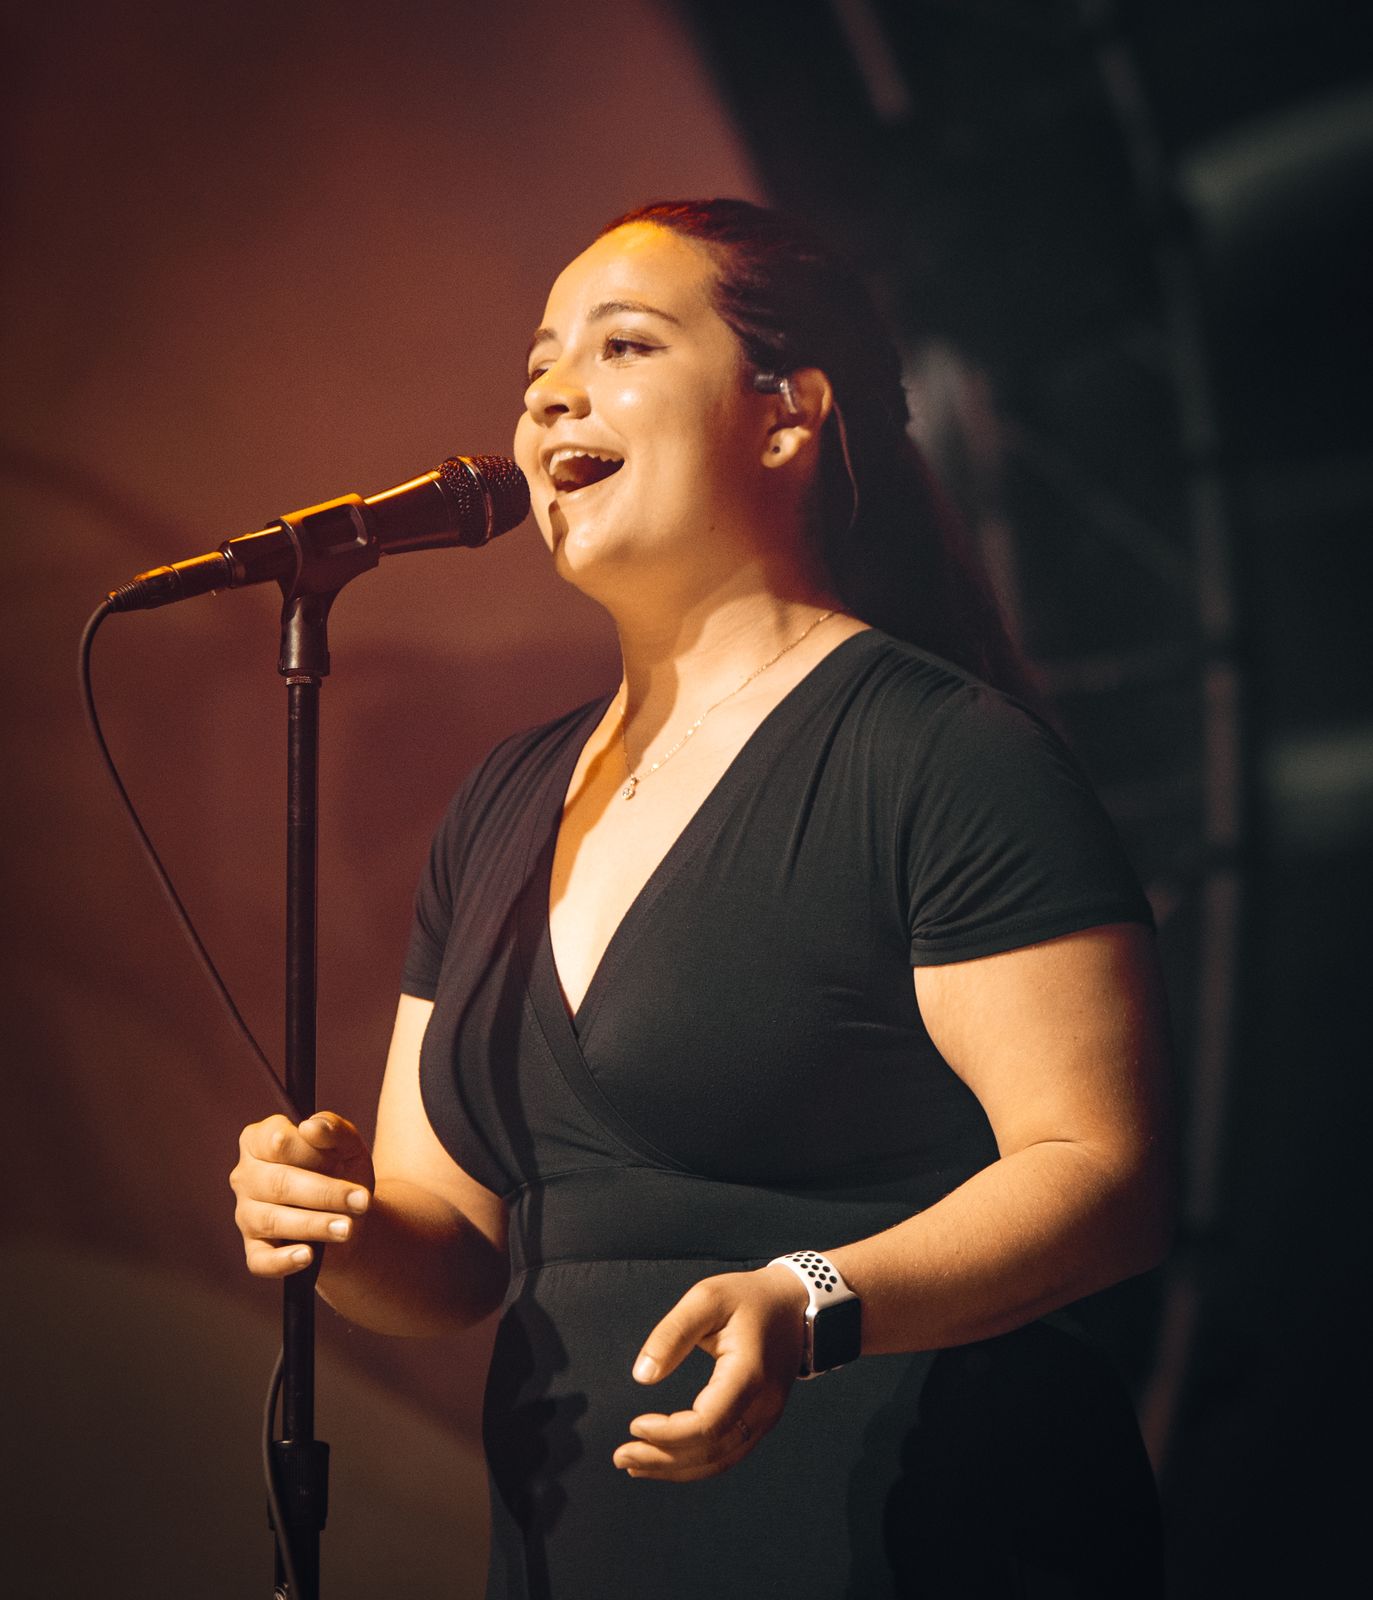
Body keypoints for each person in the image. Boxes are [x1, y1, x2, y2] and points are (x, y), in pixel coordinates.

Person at [231, 198, 1173, 1598]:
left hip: (917, 1533)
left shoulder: (941, 755)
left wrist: (815, 1297)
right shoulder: (500, 803)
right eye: (538, 364)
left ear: (786, 416)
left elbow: (1102, 1175)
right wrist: (341, 1224)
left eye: (621, 346)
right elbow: (455, 1250)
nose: (550, 393)